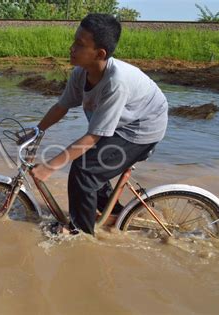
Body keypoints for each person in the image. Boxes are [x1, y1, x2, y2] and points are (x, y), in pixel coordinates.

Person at [31, 13, 168, 235]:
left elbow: (93, 136)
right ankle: (110, 214)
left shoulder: (116, 82)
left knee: (83, 168)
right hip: (123, 123)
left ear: (99, 53)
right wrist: (37, 130)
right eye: (74, 40)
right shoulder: (80, 73)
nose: (71, 48)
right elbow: (61, 107)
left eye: (79, 44)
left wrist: (50, 166)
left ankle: (80, 232)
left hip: (142, 129)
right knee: (91, 162)